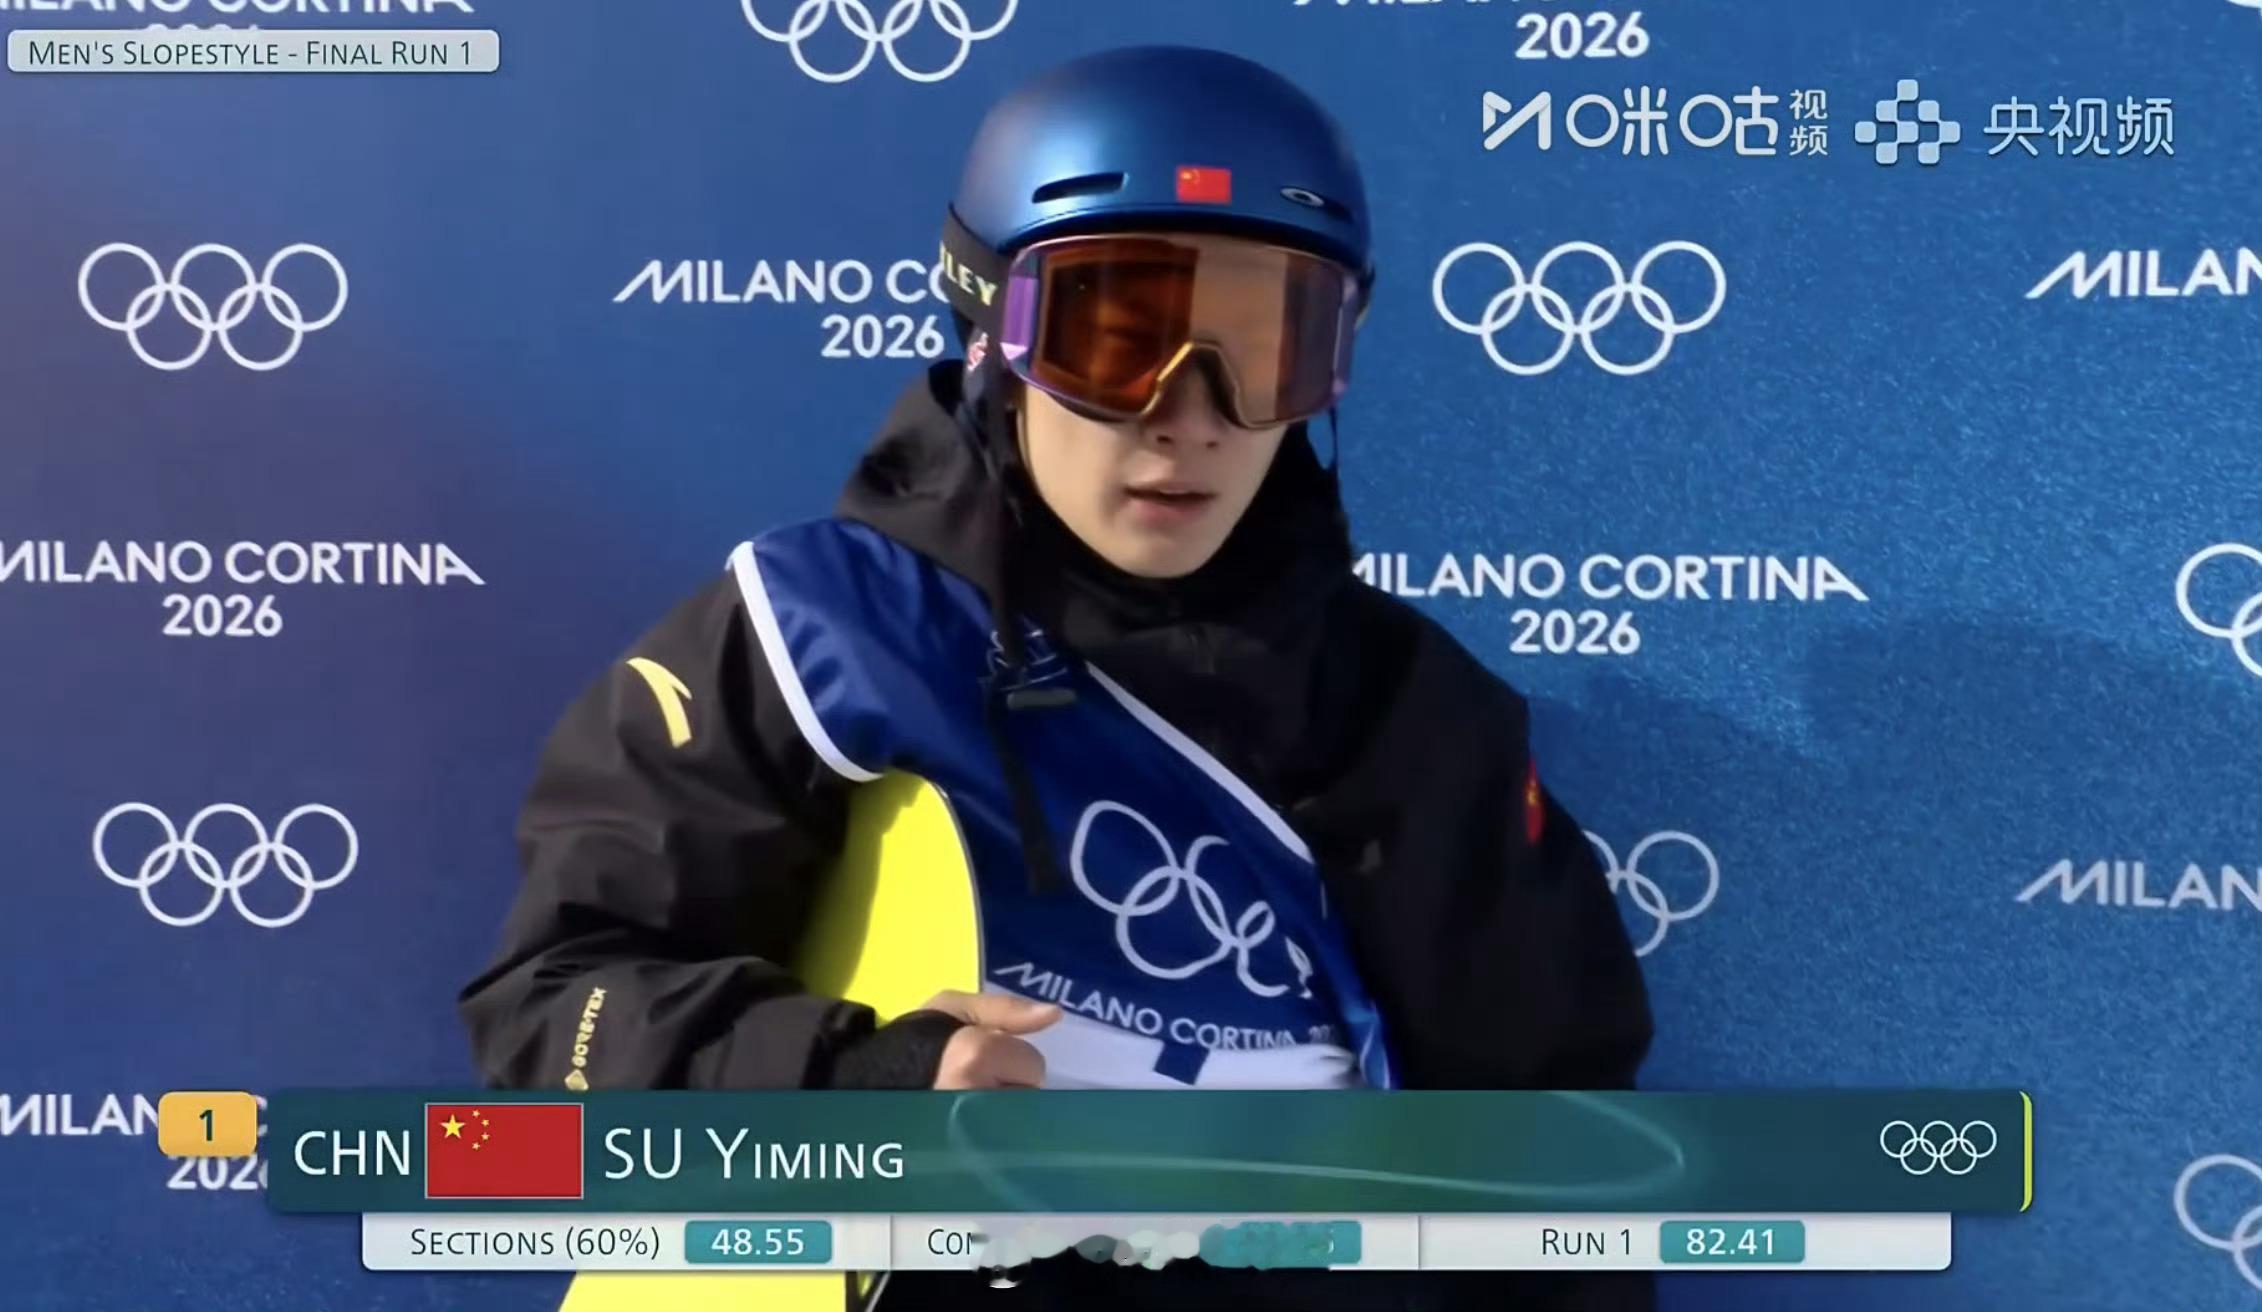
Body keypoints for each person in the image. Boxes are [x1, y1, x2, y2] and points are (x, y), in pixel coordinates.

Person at [459, 44, 1655, 1311]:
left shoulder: (1416, 712)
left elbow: (1556, 1151)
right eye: (1117, 336)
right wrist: (852, 1088)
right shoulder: (826, 633)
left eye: (1265, 348)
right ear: (995, 334)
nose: (1189, 415)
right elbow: (553, 1009)